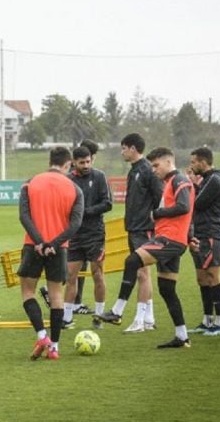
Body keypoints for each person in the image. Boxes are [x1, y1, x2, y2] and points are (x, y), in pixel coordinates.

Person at [95, 147, 194, 348]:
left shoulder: (179, 180)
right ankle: (182, 336)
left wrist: (157, 213)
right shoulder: (169, 183)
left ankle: (117, 311)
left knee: (132, 261)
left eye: (156, 165)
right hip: (174, 240)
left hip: (170, 240)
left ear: (168, 162)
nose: (154, 170)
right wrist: (190, 236)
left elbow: (184, 207)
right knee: (167, 289)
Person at [18, 146, 84, 360]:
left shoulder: (30, 182)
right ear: (68, 164)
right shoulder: (75, 189)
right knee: (56, 296)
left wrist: (39, 242)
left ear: (49, 162)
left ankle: (41, 334)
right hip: (59, 249)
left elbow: (24, 216)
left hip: (32, 246)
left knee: (28, 292)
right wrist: (54, 244)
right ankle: (54, 347)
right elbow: (75, 224)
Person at [117, 132, 163, 333]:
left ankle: (138, 320)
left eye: (124, 148)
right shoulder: (134, 170)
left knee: (142, 274)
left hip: (143, 228)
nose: (122, 152)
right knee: (144, 274)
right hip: (134, 227)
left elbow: (160, 198)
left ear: (133, 148)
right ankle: (149, 319)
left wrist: (153, 220)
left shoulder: (146, 170)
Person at [64, 144, 112, 329]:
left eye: (88, 161)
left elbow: (107, 204)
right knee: (71, 277)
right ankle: (67, 318)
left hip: (95, 235)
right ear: (74, 162)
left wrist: (85, 211)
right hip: (75, 235)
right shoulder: (68, 180)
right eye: (82, 162)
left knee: (97, 274)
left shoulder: (99, 176)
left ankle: (99, 316)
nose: (86, 165)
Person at [188, 147, 220, 337]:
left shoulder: (213, 180)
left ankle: (219, 323)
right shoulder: (207, 180)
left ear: (203, 162)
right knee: (202, 278)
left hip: (212, 234)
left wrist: (191, 187)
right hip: (199, 233)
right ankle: (207, 321)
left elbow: (196, 203)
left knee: (213, 277)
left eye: (193, 162)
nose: (191, 166)